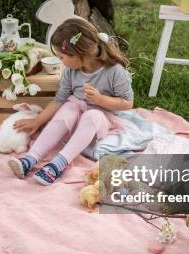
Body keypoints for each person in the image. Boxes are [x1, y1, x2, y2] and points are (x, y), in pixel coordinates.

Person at [8, 18, 133, 185]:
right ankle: (30, 159)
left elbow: (127, 103)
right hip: (77, 112)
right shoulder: (70, 71)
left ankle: (58, 165)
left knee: (92, 115)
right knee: (68, 107)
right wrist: (37, 121)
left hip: (102, 116)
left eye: (62, 56)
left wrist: (101, 99)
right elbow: (59, 99)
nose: (61, 61)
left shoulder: (114, 71)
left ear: (78, 54)